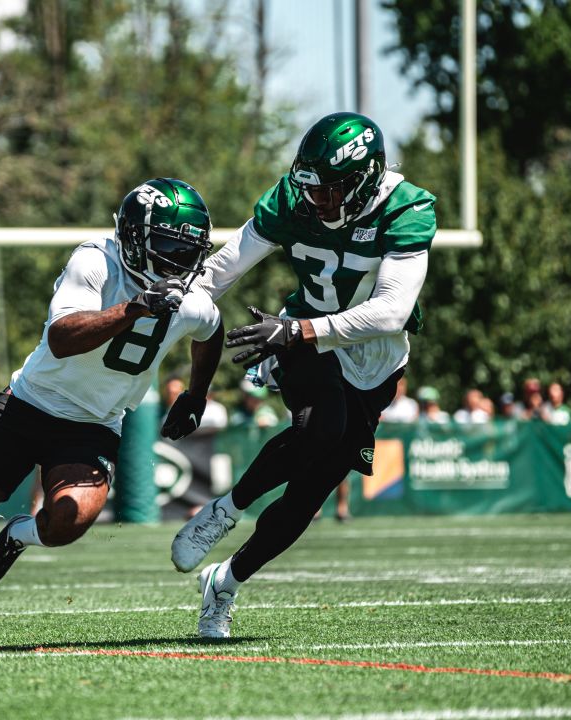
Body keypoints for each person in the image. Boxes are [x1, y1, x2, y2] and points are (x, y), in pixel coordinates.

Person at [0, 179, 223, 650]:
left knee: (68, 523)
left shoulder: (189, 296)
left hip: (94, 422)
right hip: (27, 407)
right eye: (170, 245)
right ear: (136, 238)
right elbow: (63, 336)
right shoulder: (95, 260)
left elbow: (211, 330)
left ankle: (16, 536)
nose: (180, 260)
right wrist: (135, 307)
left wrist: (196, 395)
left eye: (189, 248)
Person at [168, 112, 436, 638]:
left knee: (312, 491)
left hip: (372, 356)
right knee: (321, 426)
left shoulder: (406, 208)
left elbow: (389, 312)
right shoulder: (293, 199)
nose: (318, 201)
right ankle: (226, 509)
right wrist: (166, 316)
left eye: (333, 190)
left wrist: (300, 333)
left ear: (366, 178)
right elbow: (220, 273)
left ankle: (224, 582)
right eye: (312, 187)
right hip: (302, 334)